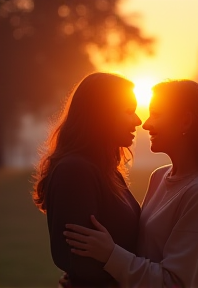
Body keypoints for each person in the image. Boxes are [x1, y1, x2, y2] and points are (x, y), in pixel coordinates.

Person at [63, 79, 198, 288]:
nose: (146, 124)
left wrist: (110, 255)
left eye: (157, 114)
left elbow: (175, 283)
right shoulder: (159, 177)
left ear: (185, 122)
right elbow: (143, 255)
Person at [32, 72, 142, 287]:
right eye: (128, 111)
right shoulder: (75, 170)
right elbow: (82, 263)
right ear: (102, 114)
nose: (138, 121)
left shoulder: (105, 169)